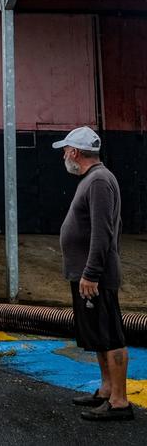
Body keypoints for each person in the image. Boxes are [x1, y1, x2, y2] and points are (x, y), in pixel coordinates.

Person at [53, 126, 134, 421]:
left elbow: (103, 232)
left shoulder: (99, 181)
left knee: (111, 335)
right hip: (88, 275)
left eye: (66, 150)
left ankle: (120, 402)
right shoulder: (94, 179)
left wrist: (92, 272)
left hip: (94, 277)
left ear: (75, 152)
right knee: (99, 335)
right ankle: (105, 390)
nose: (64, 155)